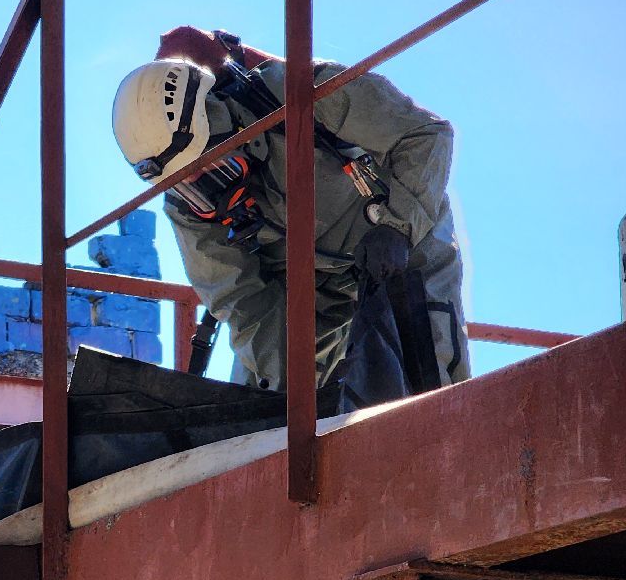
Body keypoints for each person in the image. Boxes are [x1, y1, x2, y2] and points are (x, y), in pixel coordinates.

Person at [112, 25, 470, 401]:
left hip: (404, 244)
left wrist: (399, 228)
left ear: (219, 114)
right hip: (307, 291)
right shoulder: (188, 204)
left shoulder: (303, 91)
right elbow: (242, 302)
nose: (202, 180)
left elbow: (426, 135)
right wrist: (288, 393)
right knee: (254, 412)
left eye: (206, 163)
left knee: (430, 382)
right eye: (188, 178)